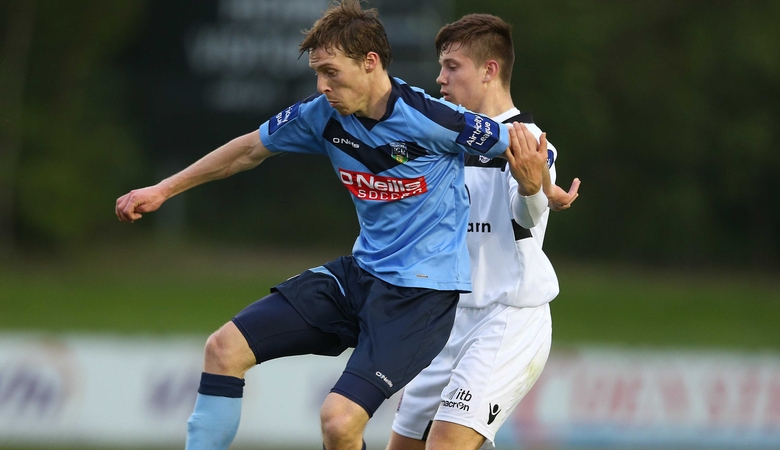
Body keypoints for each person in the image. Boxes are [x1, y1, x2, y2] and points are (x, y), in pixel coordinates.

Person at [115, 2, 547, 450]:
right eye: (317, 73)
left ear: (370, 62)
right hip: (360, 276)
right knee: (223, 349)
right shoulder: (321, 114)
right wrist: (163, 189)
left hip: (420, 299)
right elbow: (246, 150)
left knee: (339, 422)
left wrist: (546, 189)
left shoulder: (433, 117)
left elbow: (522, 147)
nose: (322, 86)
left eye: (331, 72)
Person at [387, 13, 580, 450]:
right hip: (446, 321)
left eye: (452, 66)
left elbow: (527, 215)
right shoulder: (444, 138)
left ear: (489, 70)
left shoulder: (529, 141)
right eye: (441, 66)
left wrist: (532, 189)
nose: (441, 78)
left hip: (505, 319)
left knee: (445, 444)